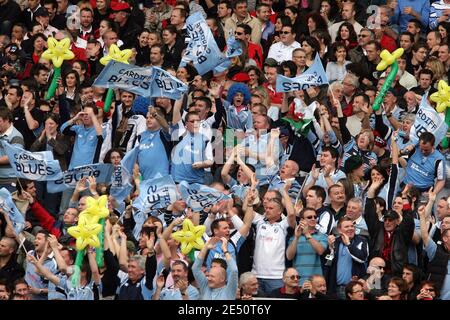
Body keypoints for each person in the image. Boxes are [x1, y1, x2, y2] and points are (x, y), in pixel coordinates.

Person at [324, 217, 369, 299]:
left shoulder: (362, 240)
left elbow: (362, 258)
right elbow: (328, 263)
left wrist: (349, 244)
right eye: (347, 227)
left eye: (352, 226)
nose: (350, 228)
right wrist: (330, 249)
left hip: (354, 290)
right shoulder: (335, 242)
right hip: (336, 288)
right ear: (339, 230)